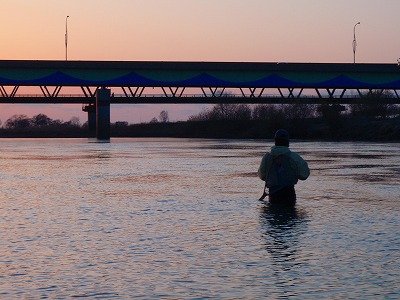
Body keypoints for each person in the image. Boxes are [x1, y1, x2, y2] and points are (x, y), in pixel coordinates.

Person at [258, 129, 310, 205]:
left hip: (273, 196)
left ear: (275, 141)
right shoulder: (294, 157)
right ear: (288, 142)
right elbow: (304, 175)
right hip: (289, 196)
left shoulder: (266, 157)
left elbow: (262, 176)